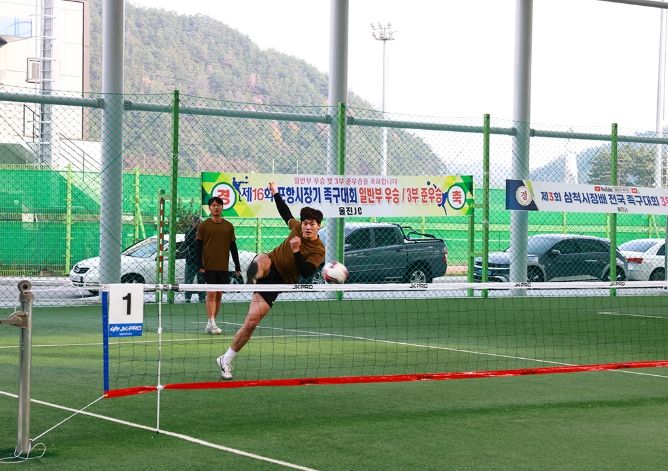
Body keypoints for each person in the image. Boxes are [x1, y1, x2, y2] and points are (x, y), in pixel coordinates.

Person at [216, 181, 325, 379]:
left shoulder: (318, 250)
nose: (308, 227)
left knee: (251, 323)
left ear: (319, 226)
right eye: (305, 223)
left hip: (279, 283)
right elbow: (285, 212)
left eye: (312, 224)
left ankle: (225, 359)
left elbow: (307, 272)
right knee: (262, 259)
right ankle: (250, 280)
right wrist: (275, 193)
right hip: (270, 263)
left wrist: (296, 251)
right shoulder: (296, 227)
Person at [196, 196, 241, 335]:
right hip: (208, 267)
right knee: (211, 294)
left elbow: (233, 247)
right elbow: (198, 246)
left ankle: (211, 323)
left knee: (219, 295)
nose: (216, 207)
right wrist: (200, 264)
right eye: (213, 205)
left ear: (222, 207)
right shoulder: (204, 226)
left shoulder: (229, 226)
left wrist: (237, 266)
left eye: (218, 205)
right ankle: (213, 323)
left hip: (223, 267)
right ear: (209, 208)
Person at [181, 215, 206, 303]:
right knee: (189, 280)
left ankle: (202, 298)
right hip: (191, 260)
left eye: (199, 222)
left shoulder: (204, 232)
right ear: (193, 223)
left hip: (202, 261)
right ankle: (187, 298)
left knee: (201, 280)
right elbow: (188, 243)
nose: (198, 224)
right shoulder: (189, 232)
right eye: (196, 222)